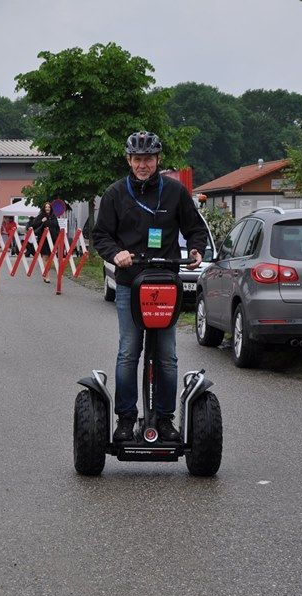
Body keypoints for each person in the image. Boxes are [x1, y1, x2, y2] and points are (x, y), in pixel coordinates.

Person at [92, 131, 208, 443]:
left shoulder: (174, 192)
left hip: (166, 283)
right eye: (138, 159)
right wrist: (116, 253)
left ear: (157, 160)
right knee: (129, 351)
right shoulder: (116, 194)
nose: (143, 165)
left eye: (149, 159)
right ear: (129, 160)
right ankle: (127, 418)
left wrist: (196, 249)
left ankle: (165, 419)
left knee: (167, 354)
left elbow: (194, 227)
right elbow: (100, 235)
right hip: (131, 283)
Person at [31, 201, 60, 282]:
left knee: (51, 258)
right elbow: (34, 225)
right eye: (46, 207)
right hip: (44, 240)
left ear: (51, 208)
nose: (47, 208)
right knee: (45, 257)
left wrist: (58, 237)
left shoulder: (54, 217)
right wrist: (42, 221)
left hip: (53, 240)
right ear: (44, 208)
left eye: (49, 207)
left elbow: (57, 228)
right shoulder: (41, 216)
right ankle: (46, 276)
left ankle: (45, 273)